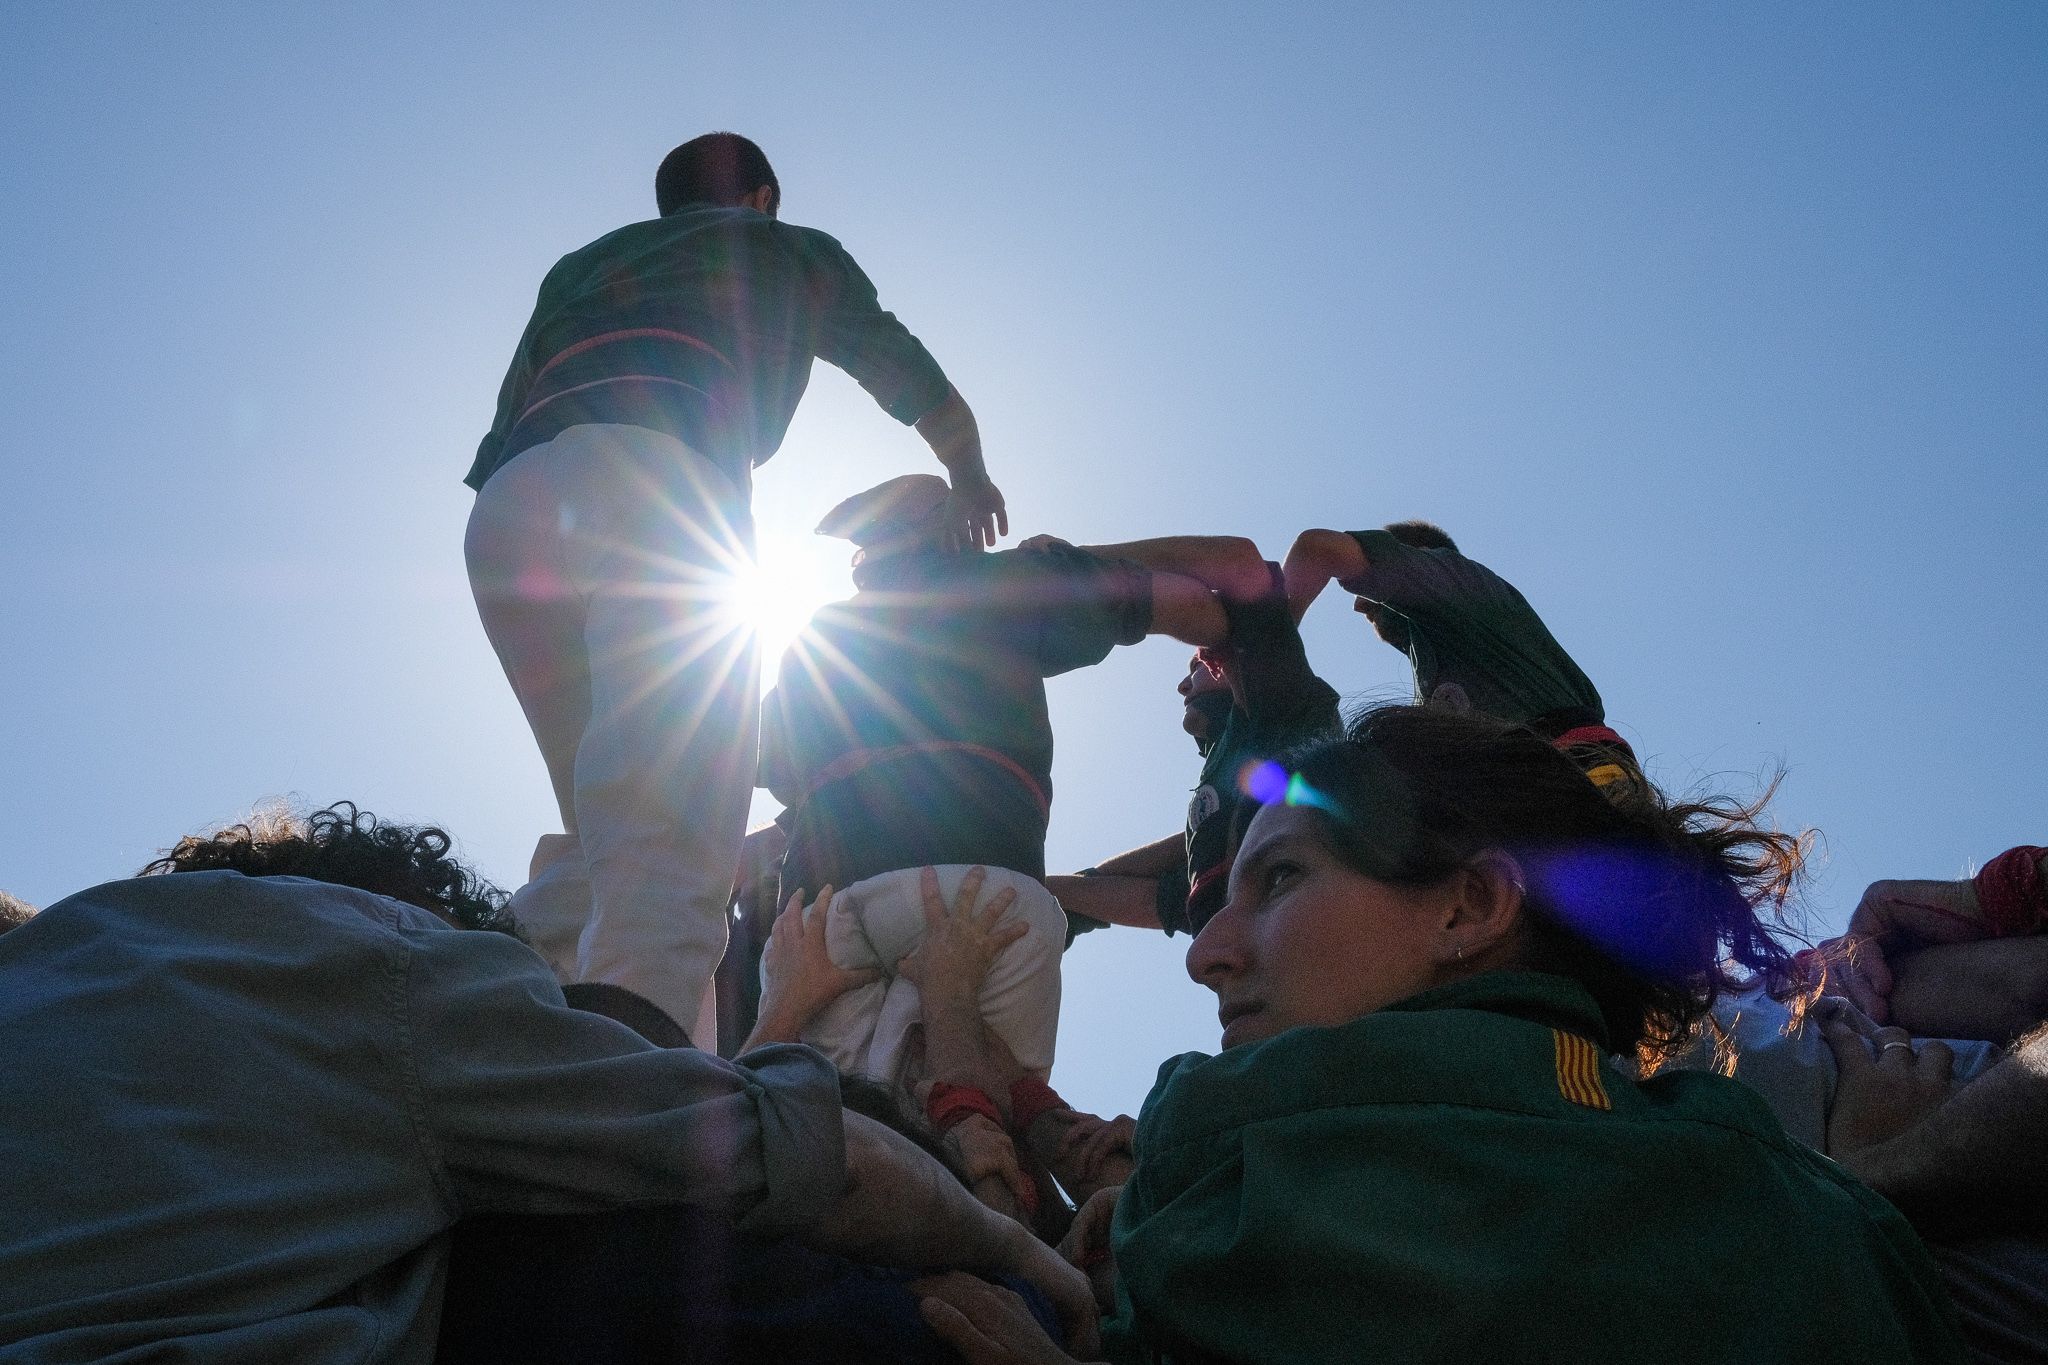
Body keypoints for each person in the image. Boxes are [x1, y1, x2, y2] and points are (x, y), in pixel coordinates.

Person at [914, 706, 1967, 1364]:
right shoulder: (1823, 1224)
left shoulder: (1227, 1174)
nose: (1206, 953)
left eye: (1279, 878)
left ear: (1467, 907)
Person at [0, 802, 1093, 1363]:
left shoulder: (60, 975)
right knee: (586, 1235)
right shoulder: (367, 965)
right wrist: (1035, 1268)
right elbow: (813, 1159)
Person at [464, 131, 1005, 1043]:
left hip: (516, 513)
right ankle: (627, 1111)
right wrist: (970, 472)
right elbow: (901, 370)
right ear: (764, 197)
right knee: (670, 847)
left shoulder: (580, 266)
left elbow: (498, 445)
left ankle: (497, 1023)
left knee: (605, 837)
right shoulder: (787, 250)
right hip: (666, 488)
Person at [754, 476, 1238, 1086]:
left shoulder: (812, 642)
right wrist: (1075, 564)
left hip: (823, 918)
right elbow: (1203, 602)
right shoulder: (1002, 581)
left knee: (822, 1130)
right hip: (979, 891)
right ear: (945, 526)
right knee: (985, 1125)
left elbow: (768, 766)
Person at [1050, 537, 1341, 937]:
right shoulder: (1226, 817)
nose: (1183, 686)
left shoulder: (1288, 709)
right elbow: (1174, 895)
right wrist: (1064, 892)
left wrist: (1070, 563)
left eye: (1199, 665)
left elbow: (1241, 567)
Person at [1283, 520, 1641, 789]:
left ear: (1421, 559)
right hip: (1530, 791)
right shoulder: (1443, 665)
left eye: (1372, 593)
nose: (1360, 605)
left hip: (1576, 770)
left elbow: (1318, 548)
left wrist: (1267, 640)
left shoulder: (1458, 582)